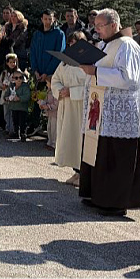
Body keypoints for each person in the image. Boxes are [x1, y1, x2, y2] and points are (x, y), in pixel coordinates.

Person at [78, 8, 140, 216]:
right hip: (101, 112)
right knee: (100, 153)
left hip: (120, 113)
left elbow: (129, 79)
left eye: (100, 26)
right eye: (96, 26)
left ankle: (116, 203)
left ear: (114, 24)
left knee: (116, 156)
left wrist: (96, 71)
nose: (96, 31)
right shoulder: (104, 45)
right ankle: (98, 196)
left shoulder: (127, 45)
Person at [50, 31, 89, 186]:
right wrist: (60, 90)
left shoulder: (88, 62)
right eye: (71, 43)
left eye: (76, 43)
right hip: (67, 105)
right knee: (70, 138)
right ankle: (76, 171)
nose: (73, 46)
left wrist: (72, 92)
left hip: (80, 106)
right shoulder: (65, 62)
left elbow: (92, 85)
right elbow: (55, 79)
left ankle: (83, 173)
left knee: (80, 139)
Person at [29, 9, 66, 133]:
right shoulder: (37, 34)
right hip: (38, 73)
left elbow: (58, 55)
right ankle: (35, 124)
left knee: (51, 100)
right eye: (45, 19)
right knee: (38, 98)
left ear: (54, 19)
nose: (47, 21)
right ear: (41, 19)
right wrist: (35, 70)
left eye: (50, 19)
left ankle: (51, 130)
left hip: (51, 74)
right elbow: (33, 52)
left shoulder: (59, 34)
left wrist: (47, 72)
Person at [2, 69, 32, 141]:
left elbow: (27, 96)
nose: (18, 79)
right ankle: (16, 133)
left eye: (20, 78)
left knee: (22, 122)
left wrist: (19, 98)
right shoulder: (11, 86)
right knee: (15, 121)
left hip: (22, 108)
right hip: (13, 107)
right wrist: (7, 98)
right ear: (13, 79)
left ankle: (23, 133)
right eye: (16, 78)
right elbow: (6, 94)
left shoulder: (25, 86)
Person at [0, 54, 20, 135]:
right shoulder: (4, 73)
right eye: (10, 62)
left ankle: (13, 130)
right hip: (5, 96)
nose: (12, 64)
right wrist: (1, 86)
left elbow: (21, 83)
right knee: (6, 113)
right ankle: (8, 128)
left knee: (13, 114)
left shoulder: (18, 72)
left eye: (14, 62)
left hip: (13, 96)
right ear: (7, 63)